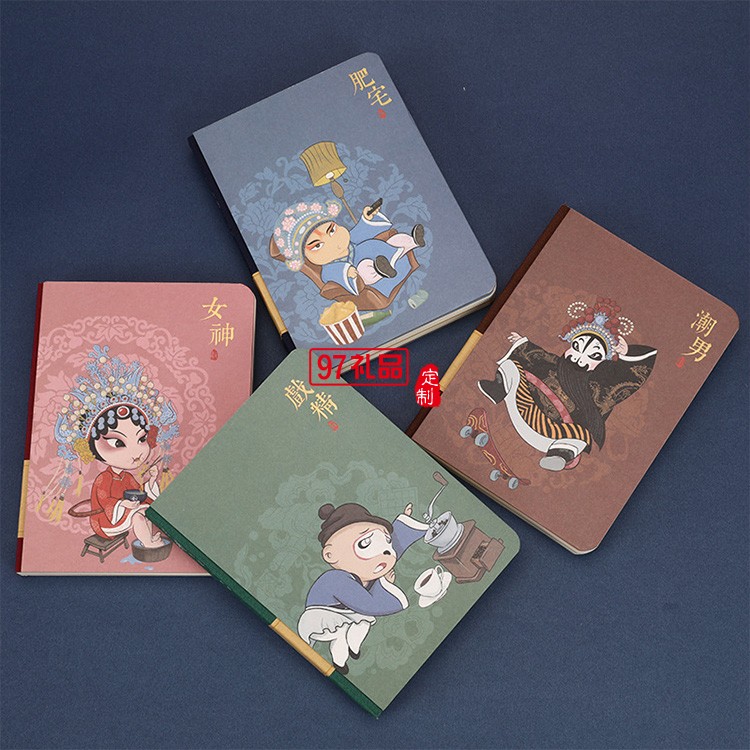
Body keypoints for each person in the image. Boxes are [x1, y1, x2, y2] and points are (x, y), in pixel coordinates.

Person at [477, 298, 657, 471]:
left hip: (557, 436)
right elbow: (539, 355)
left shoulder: (600, 390)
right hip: (527, 412)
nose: (579, 358)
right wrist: (521, 343)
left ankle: (559, 456)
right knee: (511, 367)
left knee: (581, 436)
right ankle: (497, 390)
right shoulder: (556, 364)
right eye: (577, 347)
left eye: (593, 355)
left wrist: (626, 355)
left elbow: (630, 378)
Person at [297, 501, 428, 674]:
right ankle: (339, 660)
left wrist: (405, 522)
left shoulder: (364, 572)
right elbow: (368, 604)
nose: (386, 551)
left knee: (364, 623)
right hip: (321, 616)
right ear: (330, 554)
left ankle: (353, 649)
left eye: (387, 541)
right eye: (364, 543)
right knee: (342, 633)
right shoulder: (335, 579)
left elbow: (391, 549)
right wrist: (385, 584)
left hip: (347, 611)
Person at [272, 198, 425, 298]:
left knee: (394, 240)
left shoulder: (351, 240)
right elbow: (337, 275)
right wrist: (348, 272)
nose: (334, 242)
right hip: (367, 272)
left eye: (332, 230)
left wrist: (367, 219)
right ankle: (380, 270)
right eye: (317, 245)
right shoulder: (328, 270)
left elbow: (361, 232)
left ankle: (414, 241)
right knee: (365, 267)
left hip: (381, 251)